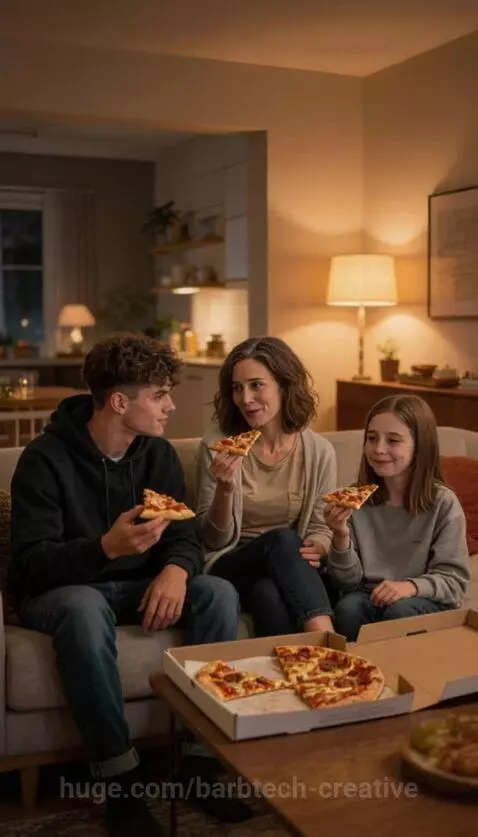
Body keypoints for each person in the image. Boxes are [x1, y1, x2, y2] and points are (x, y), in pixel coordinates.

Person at [8, 334, 242, 837]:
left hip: (136, 589)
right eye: (159, 395)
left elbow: (184, 538)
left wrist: (177, 569)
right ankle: (122, 783)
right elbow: (27, 567)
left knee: (218, 593)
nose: (170, 406)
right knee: (84, 606)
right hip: (67, 592)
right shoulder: (43, 461)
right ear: (119, 402)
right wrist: (105, 549)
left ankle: (199, 765)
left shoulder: (156, 457)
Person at [195, 336, 337, 637]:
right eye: (237, 388)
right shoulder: (218, 444)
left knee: (268, 593)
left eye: (256, 385)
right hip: (230, 562)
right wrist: (225, 487)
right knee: (283, 540)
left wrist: (320, 546)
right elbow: (212, 539)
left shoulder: (319, 451)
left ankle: (295, 676)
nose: (245, 398)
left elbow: (320, 527)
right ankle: (334, 646)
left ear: (284, 385)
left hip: (284, 566)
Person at [327, 394, 470, 642]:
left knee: (400, 611)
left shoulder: (443, 503)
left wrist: (410, 587)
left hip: (423, 597)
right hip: (368, 594)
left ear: (419, 446)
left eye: (393, 440)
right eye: (371, 438)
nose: (379, 448)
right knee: (348, 608)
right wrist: (340, 536)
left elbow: (454, 581)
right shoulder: (355, 500)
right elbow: (347, 583)